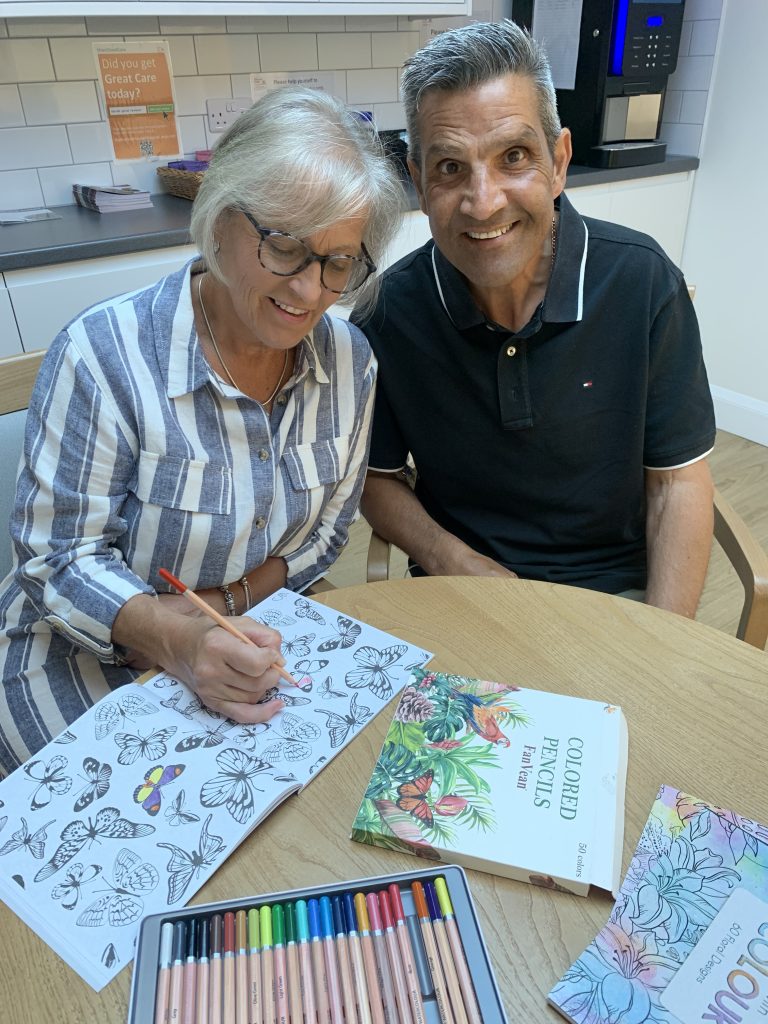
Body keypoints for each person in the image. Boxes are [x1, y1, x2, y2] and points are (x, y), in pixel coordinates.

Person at [0, 87, 404, 775]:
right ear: (218, 217)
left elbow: (327, 535)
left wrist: (220, 611)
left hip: (253, 643)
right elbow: (57, 558)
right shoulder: (105, 354)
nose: (309, 291)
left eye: (339, 263)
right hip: (80, 657)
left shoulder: (349, 363)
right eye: (283, 246)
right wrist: (178, 640)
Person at [355, 20, 715, 618]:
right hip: (461, 592)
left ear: (560, 160)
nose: (483, 200)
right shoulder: (389, 311)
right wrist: (452, 559)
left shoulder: (642, 282)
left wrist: (662, 646)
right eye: (449, 167)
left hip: (612, 599)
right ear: (416, 180)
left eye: (514, 156)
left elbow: (676, 484)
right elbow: (378, 478)